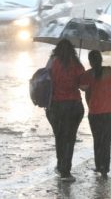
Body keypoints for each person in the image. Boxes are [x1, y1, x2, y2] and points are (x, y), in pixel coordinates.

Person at [45, 39, 85, 182]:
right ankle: (66, 170)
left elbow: (45, 79)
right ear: (72, 50)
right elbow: (83, 85)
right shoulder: (76, 64)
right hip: (74, 106)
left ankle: (60, 165)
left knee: (59, 136)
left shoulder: (52, 62)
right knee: (70, 138)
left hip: (55, 106)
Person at [80, 50, 111, 179]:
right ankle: (105, 168)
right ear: (101, 59)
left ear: (90, 61)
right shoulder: (110, 71)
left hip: (95, 112)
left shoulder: (87, 74)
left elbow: (82, 87)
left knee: (98, 140)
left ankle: (99, 165)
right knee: (107, 140)